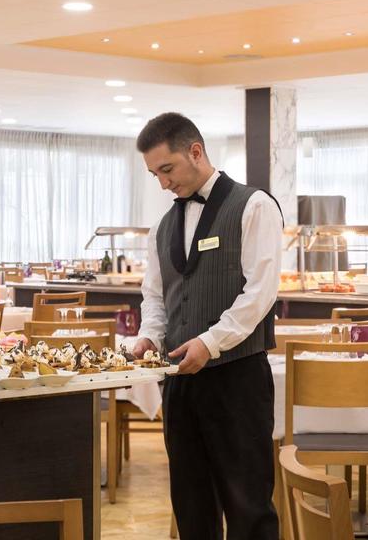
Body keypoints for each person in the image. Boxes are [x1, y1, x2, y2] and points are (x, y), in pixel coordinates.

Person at [133, 112, 282, 540]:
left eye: (167, 169)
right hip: (180, 383)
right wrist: (149, 335)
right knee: (191, 505)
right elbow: (157, 296)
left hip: (237, 378)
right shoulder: (162, 227)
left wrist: (211, 343)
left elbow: (259, 294)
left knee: (248, 507)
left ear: (196, 152)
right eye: (154, 174)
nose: (163, 183)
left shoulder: (254, 206)